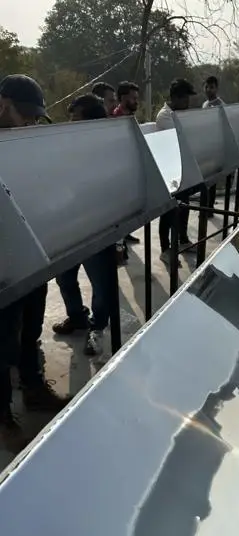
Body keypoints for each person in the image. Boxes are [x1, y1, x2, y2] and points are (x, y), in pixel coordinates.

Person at [0, 74, 71, 435]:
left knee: (30, 329)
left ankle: (32, 388)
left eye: (33, 116)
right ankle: (2, 416)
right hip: (4, 260)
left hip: (34, 249)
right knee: (3, 339)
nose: (28, 122)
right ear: (3, 104)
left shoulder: (26, 141)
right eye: (21, 114)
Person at [52, 94, 112, 357]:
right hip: (69, 224)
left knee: (101, 284)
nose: (70, 122)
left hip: (97, 226)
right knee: (65, 277)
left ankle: (97, 328)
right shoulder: (66, 146)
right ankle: (76, 316)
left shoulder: (108, 148)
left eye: (75, 118)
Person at [156, 79, 196, 266]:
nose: (188, 102)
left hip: (182, 169)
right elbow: (181, 139)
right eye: (185, 98)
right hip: (169, 171)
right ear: (175, 98)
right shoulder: (165, 116)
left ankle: (183, 240)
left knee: (184, 207)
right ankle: (166, 249)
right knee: (169, 212)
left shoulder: (179, 114)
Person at [113, 81, 140, 245]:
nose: (136, 101)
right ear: (123, 98)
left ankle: (126, 233)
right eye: (133, 98)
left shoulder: (129, 115)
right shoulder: (118, 117)